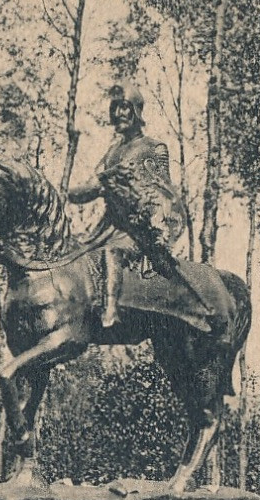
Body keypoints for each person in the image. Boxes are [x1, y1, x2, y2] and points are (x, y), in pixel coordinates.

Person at [66, 82, 189, 328]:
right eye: (115, 108)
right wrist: (68, 193)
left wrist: (152, 219)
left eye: (124, 108)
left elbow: (165, 192)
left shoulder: (153, 148)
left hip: (139, 231)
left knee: (113, 251)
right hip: (107, 226)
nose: (119, 114)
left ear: (136, 111)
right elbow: (92, 185)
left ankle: (111, 311)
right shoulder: (111, 152)